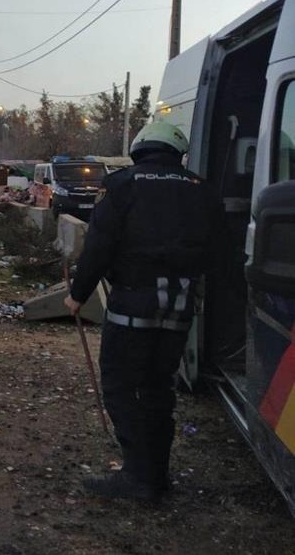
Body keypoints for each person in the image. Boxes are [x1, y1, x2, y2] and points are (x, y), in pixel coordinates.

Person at [64, 121, 222, 501]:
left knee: (121, 387)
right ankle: (157, 475)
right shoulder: (202, 188)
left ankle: (137, 477)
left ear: (140, 148)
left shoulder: (122, 185)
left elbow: (99, 245)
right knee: (158, 389)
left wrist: (77, 294)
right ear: (177, 152)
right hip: (180, 307)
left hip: (133, 305)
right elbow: (220, 251)